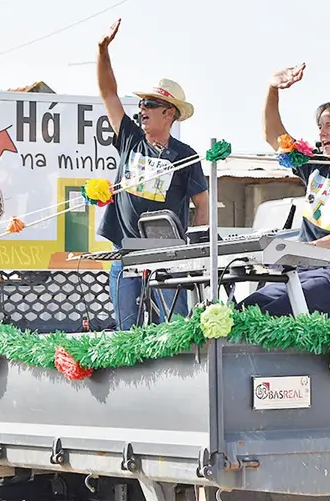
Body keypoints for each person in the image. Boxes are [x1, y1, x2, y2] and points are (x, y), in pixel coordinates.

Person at [238, 63, 330, 318]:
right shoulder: (315, 166)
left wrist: (314, 247)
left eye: (329, 126)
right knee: (244, 310)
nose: (321, 133)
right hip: (300, 272)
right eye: (319, 126)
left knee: (278, 310)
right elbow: (273, 136)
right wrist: (273, 88)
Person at [95, 19, 210, 331]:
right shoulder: (130, 137)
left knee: (174, 329)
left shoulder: (185, 155)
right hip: (126, 250)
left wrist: (195, 248)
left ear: (169, 113)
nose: (142, 108)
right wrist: (102, 50)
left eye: (151, 103)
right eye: (142, 102)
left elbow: (203, 203)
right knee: (127, 330)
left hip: (170, 256)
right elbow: (108, 92)